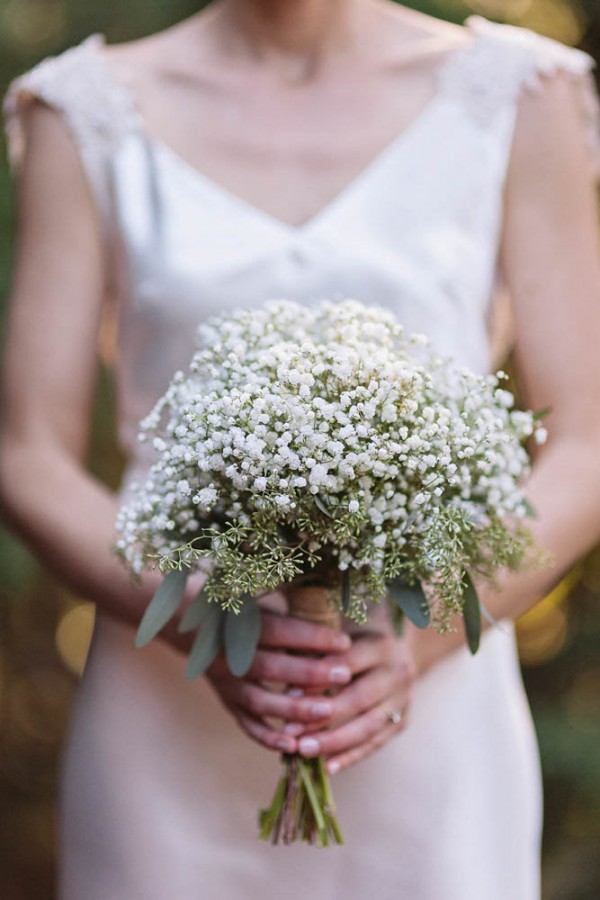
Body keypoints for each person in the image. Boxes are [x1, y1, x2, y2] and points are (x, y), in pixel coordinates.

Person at [2, 1, 600, 897]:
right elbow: (26, 453)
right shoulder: (85, 109)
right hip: (165, 705)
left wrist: (424, 633)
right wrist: (203, 617)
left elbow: (585, 442)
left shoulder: (519, 94)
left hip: (429, 719)